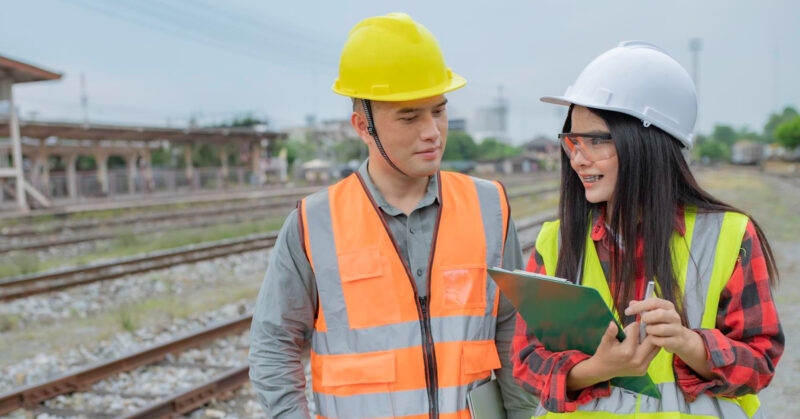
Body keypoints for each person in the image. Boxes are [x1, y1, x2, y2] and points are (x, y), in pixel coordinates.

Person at [249, 12, 538, 418]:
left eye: (438, 111)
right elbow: (274, 345)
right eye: (409, 116)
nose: (432, 131)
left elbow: (513, 333)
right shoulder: (313, 224)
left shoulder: (490, 207)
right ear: (362, 126)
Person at [510, 41, 784, 418]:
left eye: (596, 140)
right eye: (572, 140)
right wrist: (600, 369)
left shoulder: (729, 236)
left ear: (647, 144)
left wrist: (689, 344)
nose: (576, 157)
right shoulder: (553, 243)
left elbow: (760, 362)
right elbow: (526, 360)